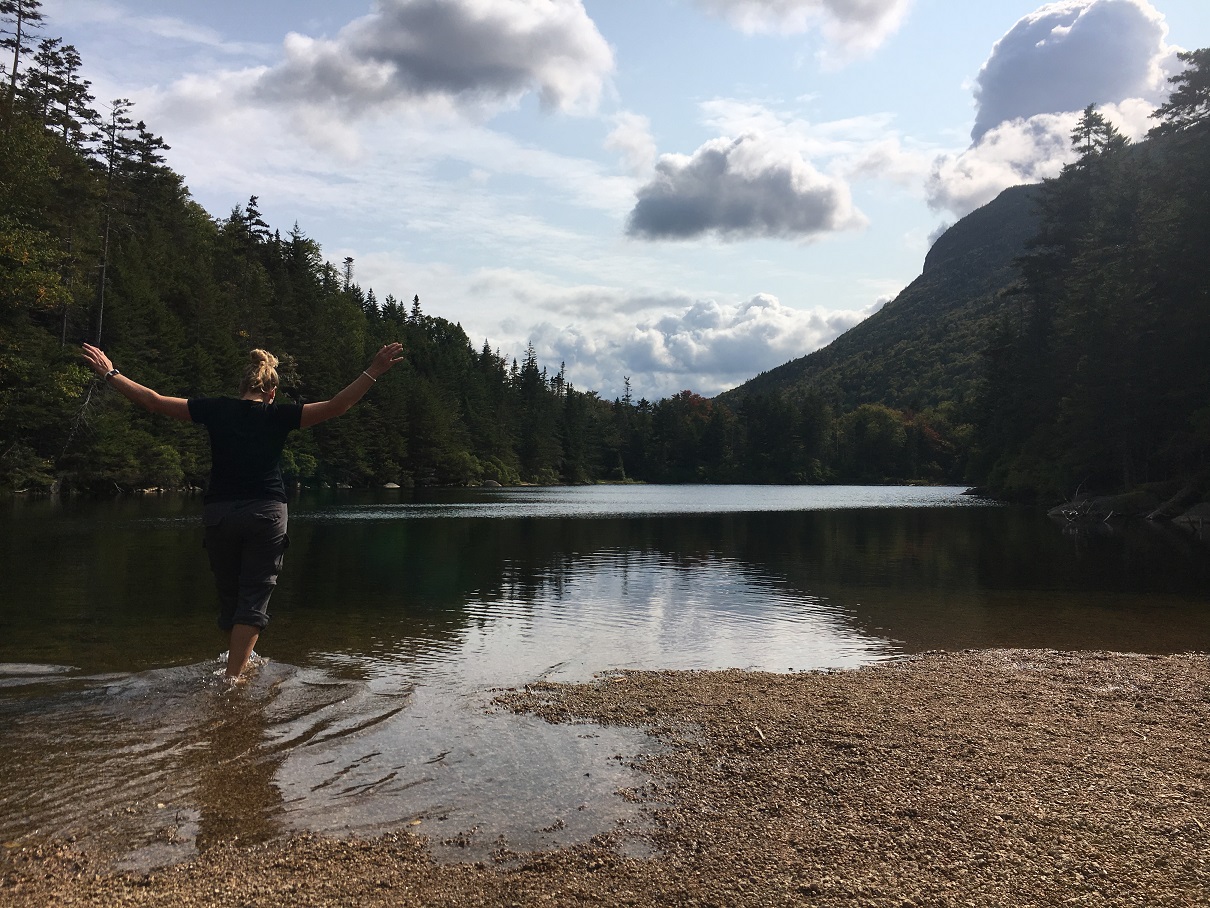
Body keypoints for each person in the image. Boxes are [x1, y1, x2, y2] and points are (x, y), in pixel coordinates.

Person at [80, 341, 405, 682]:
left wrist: (111, 374)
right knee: (253, 599)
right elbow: (338, 406)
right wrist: (374, 370)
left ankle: (238, 665)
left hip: (220, 514)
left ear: (241, 387)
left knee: (231, 599)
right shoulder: (278, 415)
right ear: (272, 392)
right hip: (266, 512)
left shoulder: (216, 409)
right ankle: (232, 681)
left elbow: (153, 401)